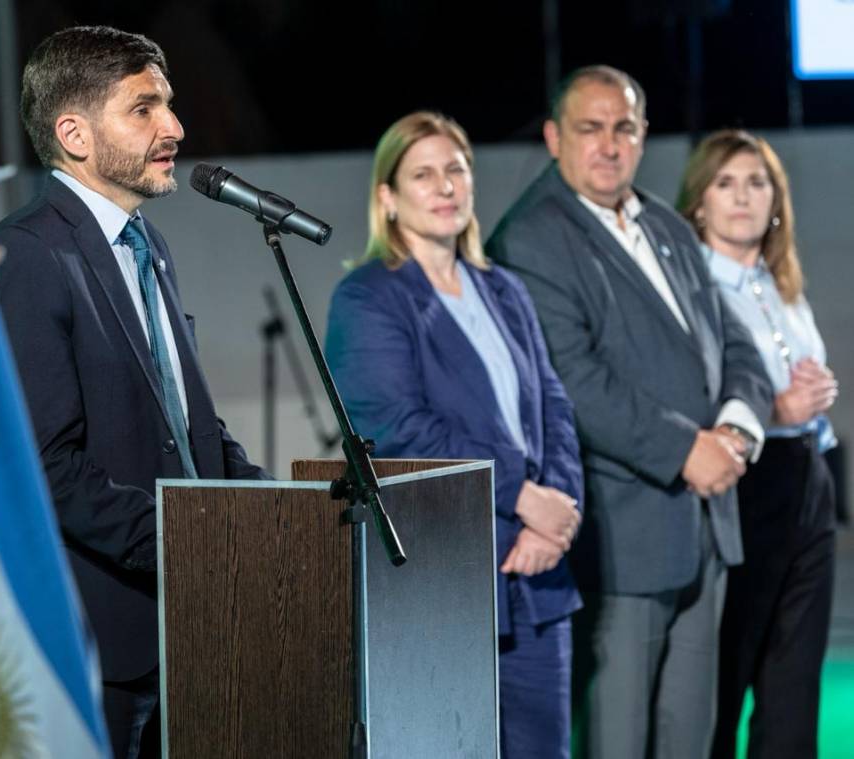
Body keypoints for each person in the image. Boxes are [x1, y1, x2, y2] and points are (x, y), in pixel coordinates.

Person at [0, 26, 268, 759]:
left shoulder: (149, 247)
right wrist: (196, 540)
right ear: (73, 132)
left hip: (189, 626)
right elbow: (48, 468)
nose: (173, 127)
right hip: (101, 641)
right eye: (143, 109)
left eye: (168, 105)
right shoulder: (28, 254)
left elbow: (188, 423)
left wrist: (274, 507)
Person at [484, 66, 773, 759]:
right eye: (591, 128)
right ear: (555, 138)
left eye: (625, 128)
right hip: (621, 535)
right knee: (616, 740)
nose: (609, 145)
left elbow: (735, 342)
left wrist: (735, 426)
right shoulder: (530, 239)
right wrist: (685, 451)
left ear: (642, 137)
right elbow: (574, 381)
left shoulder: (668, 226)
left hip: (707, 525)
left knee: (690, 738)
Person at [325, 111, 584, 759]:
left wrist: (557, 513)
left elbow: (553, 408)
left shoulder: (505, 289)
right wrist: (522, 495)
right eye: (423, 174)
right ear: (387, 196)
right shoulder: (368, 298)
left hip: (537, 575)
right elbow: (399, 429)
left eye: (455, 170)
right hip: (447, 578)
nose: (444, 187)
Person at [678, 129, 839, 759]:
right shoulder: (696, 289)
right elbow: (699, 399)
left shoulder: (780, 284)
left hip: (809, 480)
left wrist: (817, 393)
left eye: (756, 182)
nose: (742, 197)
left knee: (795, 675)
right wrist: (777, 409)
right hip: (744, 485)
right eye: (725, 182)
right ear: (699, 202)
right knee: (731, 665)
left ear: (777, 199)